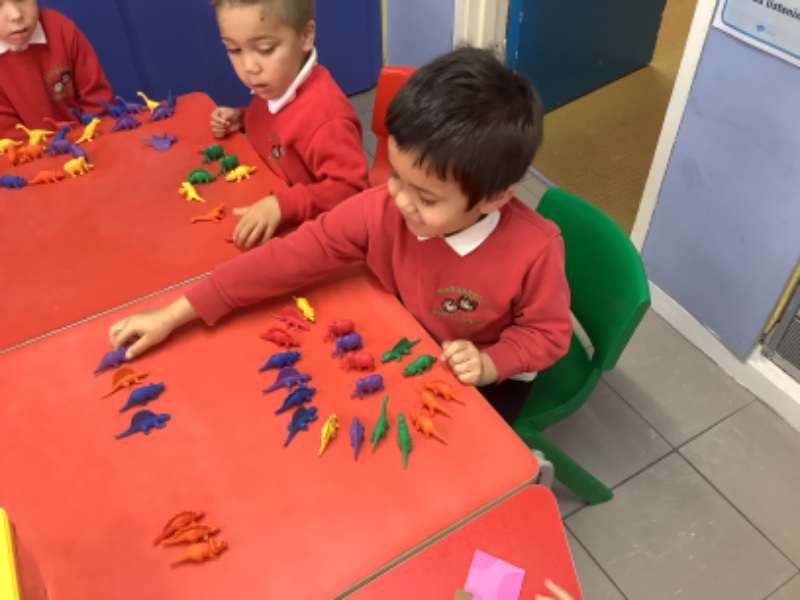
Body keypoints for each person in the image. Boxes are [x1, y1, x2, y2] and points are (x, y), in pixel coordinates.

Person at [109, 47, 572, 424]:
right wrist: (175, 313)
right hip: (408, 336)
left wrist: (490, 364)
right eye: (396, 175)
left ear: (493, 197)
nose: (400, 200)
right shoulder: (380, 209)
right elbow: (289, 257)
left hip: (488, 373)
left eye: (427, 198)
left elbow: (547, 334)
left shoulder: (535, 249)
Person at [208, 0, 369, 249]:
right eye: (234, 49)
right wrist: (242, 119)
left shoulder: (328, 120)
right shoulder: (275, 84)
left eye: (265, 49)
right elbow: (276, 123)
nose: (249, 67)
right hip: (267, 196)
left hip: (318, 237)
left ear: (305, 36)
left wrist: (283, 205)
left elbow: (352, 191)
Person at [0, 0, 113, 139]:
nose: (16, 15)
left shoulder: (60, 28)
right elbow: (10, 140)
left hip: (88, 140)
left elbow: (98, 102)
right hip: (32, 150)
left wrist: (94, 139)